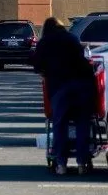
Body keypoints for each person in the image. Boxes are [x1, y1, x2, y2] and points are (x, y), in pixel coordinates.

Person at [33, 17, 96, 176]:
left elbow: (38, 66)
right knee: (83, 124)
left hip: (60, 87)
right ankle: (82, 163)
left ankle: (61, 164)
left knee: (60, 125)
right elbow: (82, 59)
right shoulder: (72, 38)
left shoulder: (45, 42)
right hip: (82, 84)